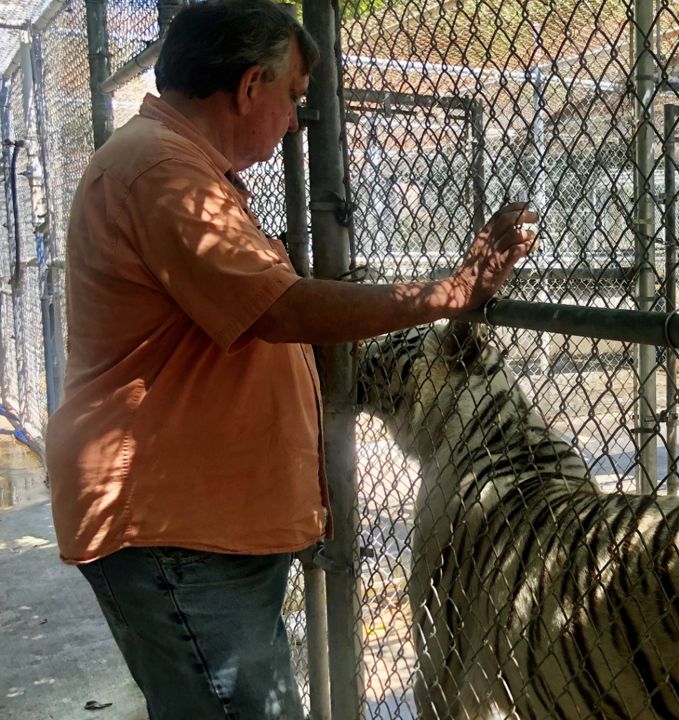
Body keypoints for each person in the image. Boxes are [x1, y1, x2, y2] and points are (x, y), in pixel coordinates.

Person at [44, 0, 536, 717]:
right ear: (249, 87)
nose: (298, 121)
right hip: (173, 530)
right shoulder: (162, 172)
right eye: (294, 97)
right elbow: (283, 308)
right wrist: (450, 293)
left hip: (191, 526)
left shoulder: (178, 166)